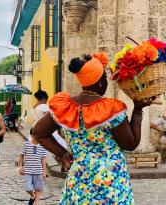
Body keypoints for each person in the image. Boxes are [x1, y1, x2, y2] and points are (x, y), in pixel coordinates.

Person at [32, 52, 153, 204]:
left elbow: (39, 132)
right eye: (105, 79)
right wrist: (138, 110)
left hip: (79, 179)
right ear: (100, 83)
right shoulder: (111, 109)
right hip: (111, 183)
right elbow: (130, 144)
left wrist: (63, 155)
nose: (107, 82)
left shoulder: (66, 107)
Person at [18, 128, 47, 205]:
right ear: (31, 135)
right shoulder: (26, 144)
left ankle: (36, 203)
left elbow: (44, 160)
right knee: (28, 188)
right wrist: (20, 167)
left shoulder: (42, 146)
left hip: (38, 171)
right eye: (36, 135)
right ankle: (32, 195)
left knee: (38, 188)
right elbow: (21, 156)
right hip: (28, 171)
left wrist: (44, 172)